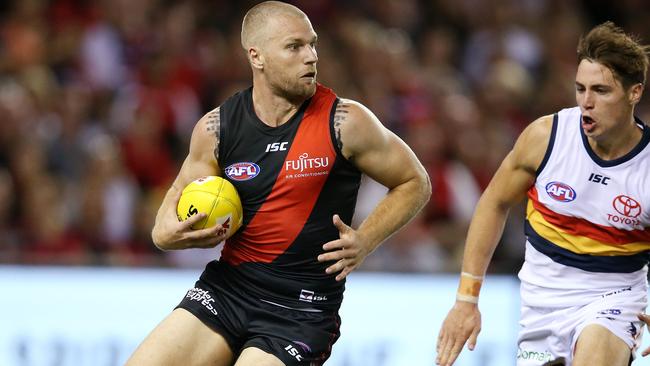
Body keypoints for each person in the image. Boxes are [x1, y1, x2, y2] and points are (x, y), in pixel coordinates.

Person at [126, 1, 431, 365]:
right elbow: (178, 193)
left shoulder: (346, 121)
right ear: (257, 57)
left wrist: (365, 240)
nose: (311, 57)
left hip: (301, 311)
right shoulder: (217, 128)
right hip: (227, 291)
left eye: (312, 44)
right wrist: (164, 234)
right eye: (294, 47)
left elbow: (415, 181)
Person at [436, 21, 650, 366]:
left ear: (634, 92)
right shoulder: (546, 137)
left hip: (613, 299)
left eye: (601, 90)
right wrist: (466, 299)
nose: (586, 102)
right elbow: (494, 201)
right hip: (541, 306)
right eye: (580, 89)